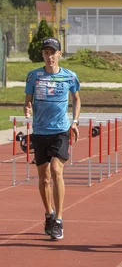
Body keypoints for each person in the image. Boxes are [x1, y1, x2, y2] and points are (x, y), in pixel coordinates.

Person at [24, 37, 81, 241]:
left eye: (53, 52)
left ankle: (59, 219)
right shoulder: (33, 76)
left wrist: (74, 121)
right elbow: (27, 101)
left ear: (59, 54)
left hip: (60, 130)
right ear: (43, 55)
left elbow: (76, 98)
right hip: (40, 131)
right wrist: (27, 108)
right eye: (46, 52)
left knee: (57, 170)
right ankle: (49, 213)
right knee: (44, 177)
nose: (50, 56)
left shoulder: (69, 76)